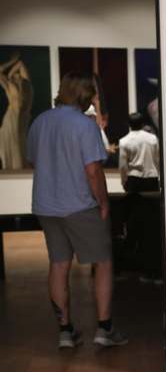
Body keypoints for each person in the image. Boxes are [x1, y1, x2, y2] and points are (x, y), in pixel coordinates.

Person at [26, 72, 127, 349]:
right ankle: (104, 328)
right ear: (84, 95)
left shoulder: (40, 122)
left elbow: (35, 162)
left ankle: (65, 331)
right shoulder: (85, 126)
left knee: (58, 265)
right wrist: (104, 203)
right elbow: (93, 171)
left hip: (47, 206)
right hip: (80, 205)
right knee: (103, 262)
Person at [119, 111, 161, 282]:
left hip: (135, 181)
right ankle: (153, 269)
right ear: (143, 123)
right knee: (152, 224)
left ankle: (133, 266)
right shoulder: (152, 139)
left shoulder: (125, 141)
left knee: (134, 223)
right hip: (151, 180)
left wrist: (124, 182)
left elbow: (123, 166)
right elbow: (158, 160)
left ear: (129, 124)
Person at [0, 52, 33, 170]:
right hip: (10, 119)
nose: (17, 76)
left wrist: (11, 71)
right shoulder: (10, 86)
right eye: (15, 76)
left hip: (22, 119)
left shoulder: (26, 84)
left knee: (20, 148)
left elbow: (20, 64)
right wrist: (10, 70)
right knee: (11, 148)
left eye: (18, 74)